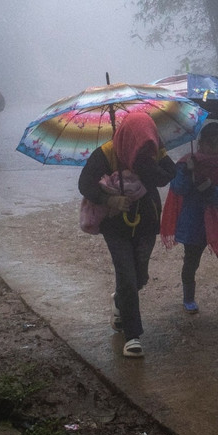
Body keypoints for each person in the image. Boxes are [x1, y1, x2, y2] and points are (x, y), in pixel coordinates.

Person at [78, 111, 176, 359]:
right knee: (127, 275)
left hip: (147, 223)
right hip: (115, 226)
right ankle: (132, 336)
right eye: (139, 147)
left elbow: (167, 175)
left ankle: (120, 300)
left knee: (140, 276)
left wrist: (152, 164)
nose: (143, 152)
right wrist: (110, 198)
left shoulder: (154, 151)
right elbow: (85, 184)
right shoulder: (106, 153)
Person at [160, 121, 218, 314]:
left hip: (215, 222)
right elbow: (178, 188)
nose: (214, 148)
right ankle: (188, 299)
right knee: (191, 260)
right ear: (200, 142)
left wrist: (211, 190)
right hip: (192, 222)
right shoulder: (187, 163)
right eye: (210, 143)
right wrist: (188, 173)